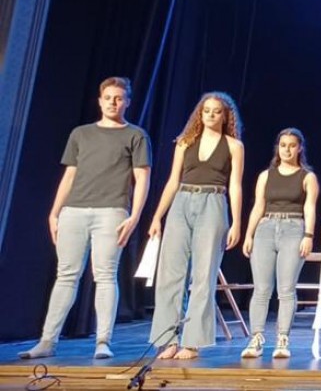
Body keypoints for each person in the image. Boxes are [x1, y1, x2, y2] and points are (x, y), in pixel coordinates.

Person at [19, 77, 152, 360]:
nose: (113, 102)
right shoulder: (81, 133)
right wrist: (55, 212)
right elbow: (70, 175)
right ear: (100, 100)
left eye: (118, 98)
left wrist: (135, 215)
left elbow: (142, 179)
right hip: (74, 211)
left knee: (104, 276)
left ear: (127, 101)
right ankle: (47, 341)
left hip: (111, 212)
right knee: (66, 276)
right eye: (108, 97)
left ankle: (103, 340)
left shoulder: (136, 135)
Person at [148, 92, 245, 360]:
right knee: (170, 272)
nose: (211, 115)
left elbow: (235, 185)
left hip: (213, 202)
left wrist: (237, 221)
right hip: (182, 201)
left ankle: (192, 341)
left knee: (203, 275)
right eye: (207, 110)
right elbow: (172, 181)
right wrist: (157, 216)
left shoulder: (234, 146)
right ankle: (167, 339)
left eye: (217, 111)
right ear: (199, 114)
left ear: (225, 116)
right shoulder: (184, 142)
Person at [240, 128, 319, 359]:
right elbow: (258, 206)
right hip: (265, 227)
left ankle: (283, 339)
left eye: (292, 145)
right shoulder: (266, 175)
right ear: (278, 147)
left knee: (286, 290)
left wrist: (309, 235)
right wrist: (249, 234)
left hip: (293, 229)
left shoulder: (307, 177)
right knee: (262, 289)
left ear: (299, 148)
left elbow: (310, 208)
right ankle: (256, 339)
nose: (287, 149)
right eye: (283, 145)